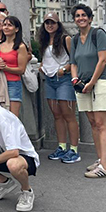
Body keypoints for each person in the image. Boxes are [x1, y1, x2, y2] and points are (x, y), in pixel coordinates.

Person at [70, 4, 106, 178]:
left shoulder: (99, 35)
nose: (80, 18)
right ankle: (100, 159)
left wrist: (92, 82)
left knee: (102, 123)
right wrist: (76, 80)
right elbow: (73, 62)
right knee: (93, 123)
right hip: (83, 84)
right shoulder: (75, 39)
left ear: (90, 18)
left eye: (83, 15)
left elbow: (103, 60)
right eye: (77, 16)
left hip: (102, 82)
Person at [38, 12, 80, 163]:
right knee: (57, 115)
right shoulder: (43, 40)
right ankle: (62, 146)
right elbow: (45, 57)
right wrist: (42, 66)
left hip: (63, 79)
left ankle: (74, 148)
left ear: (58, 24)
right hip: (49, 79)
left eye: (53, 23)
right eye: (47, 23)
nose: (50, 25)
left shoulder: (65, 39)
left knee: (68, 115)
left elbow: (74, 59)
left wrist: (65, 69)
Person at [0, 16, 29, 117]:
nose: (6, 27)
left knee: (12, 116)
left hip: (13, 83)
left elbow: (21, 70)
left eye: (10, 25)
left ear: (16, 29)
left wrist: (5, 67)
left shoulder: (20, 47)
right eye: (4, 25)